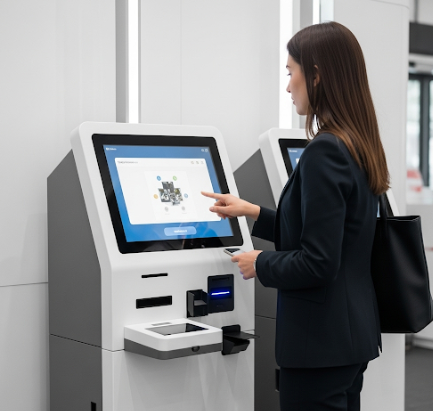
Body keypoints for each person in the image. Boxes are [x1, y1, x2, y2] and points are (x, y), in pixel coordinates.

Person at [202, 21, 389, 411]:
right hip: (349, 338)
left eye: (291, 73)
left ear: (316, 75)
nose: (288, 87)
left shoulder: (325, 151)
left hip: (318, 345)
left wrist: (260, 262)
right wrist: (252, 211)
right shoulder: (357, 144)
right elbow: (332, 232)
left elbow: (319, 261)